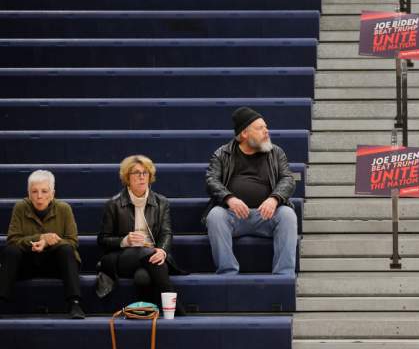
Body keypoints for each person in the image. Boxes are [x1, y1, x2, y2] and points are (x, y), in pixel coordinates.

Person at [204, 106, 297, 275]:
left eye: (266, 127)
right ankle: (228, 272)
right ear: (245, 133)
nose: (266, 131)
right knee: (215, 216)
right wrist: (229, 198)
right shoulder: (222, 153)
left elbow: (288, 179)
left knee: (288, 215)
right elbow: (211, 180)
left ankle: (284, 274)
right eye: (260, 128)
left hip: (267, 216)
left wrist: (274, 198)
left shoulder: (276, 153)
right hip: (233, 216)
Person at [97, 155, 185, 315]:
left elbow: (166, 232)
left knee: (143, 278)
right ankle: (177, 309)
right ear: (127, 178)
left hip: (151, 257)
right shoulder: (114, 204)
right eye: (136, 173)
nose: (142, 177)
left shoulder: (161, 202)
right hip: (122, 258)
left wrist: (162, 251)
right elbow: (102, 240)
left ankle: (147, 313)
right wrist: (125, 241)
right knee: (148, 253)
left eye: (145, 173)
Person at [0, 170, 85, 319]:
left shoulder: (64, 209)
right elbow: (13, 240)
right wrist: (40, 237)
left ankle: (75, 304)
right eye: (34, 191)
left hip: (56, 265)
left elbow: (72, 242)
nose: (39, 196)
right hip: (28, 263)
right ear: (28, 193)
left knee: (66, 250)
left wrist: (49, 242)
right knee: (10, 251)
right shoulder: (20, 207)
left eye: (44, 191)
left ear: (52, 193)